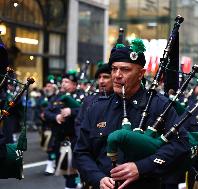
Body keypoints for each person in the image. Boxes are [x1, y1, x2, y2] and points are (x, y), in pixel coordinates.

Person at [74, 40, 190, 189]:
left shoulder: (160, 106)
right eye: (114, 69)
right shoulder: (97, 108)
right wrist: (98, 178)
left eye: (125, 69)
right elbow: (81, 151)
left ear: (141, 73)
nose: (117, 75)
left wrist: (141, 167)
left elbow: (181, 145)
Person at [44, 71, 82, 189]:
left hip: (75, 138)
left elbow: (87, 111)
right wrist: (56, 117)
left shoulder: (82, 97)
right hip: (60, 139)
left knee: (72, 169)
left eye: (67, 82)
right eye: (63, 82)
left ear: (75, 85)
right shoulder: (57, 97)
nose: (63, 84)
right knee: (64, 168)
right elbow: (47, 112)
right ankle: (76, 183)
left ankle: (74, 184)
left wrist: (72, 111)